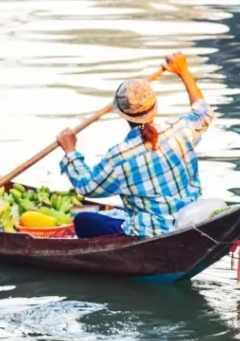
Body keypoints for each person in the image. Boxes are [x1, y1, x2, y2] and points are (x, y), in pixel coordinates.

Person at [57, 52, 214, 238]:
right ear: (155, 106)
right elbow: (203, 112)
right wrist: (183, 71)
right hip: (189, 221)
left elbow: (86, 187)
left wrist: (70, 152)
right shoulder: (180, 130)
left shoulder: (120, 157)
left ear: (121, 114)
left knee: (83, 220)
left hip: (151, 233)